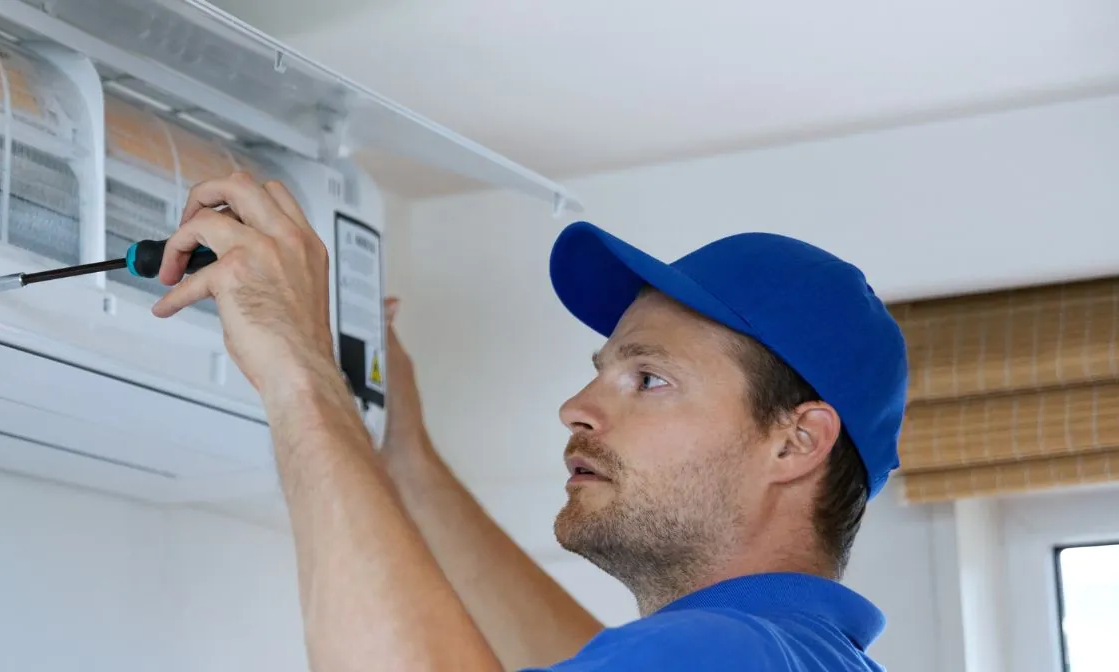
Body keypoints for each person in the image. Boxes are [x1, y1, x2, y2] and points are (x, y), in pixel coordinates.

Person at [151, 173, 907, 672]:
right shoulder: (802, 654)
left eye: (648, 378)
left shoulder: (728, 652)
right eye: (601, 368)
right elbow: (591, 654)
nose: (577, 407)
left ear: (795, 441)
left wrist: (297, 368)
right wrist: (403, 458)